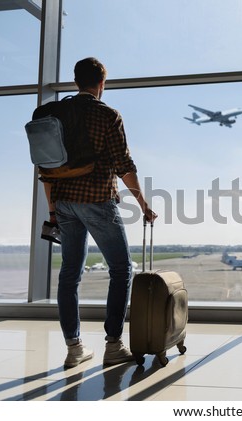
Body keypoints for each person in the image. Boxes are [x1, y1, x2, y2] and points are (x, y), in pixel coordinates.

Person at [41, 57, 157, 368]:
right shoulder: (107, 115)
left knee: (70, 274)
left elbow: (46, 170)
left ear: (76, 81)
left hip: (63, 202)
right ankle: (113, 344)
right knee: (121, 270)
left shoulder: (54, 114)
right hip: (97, 199)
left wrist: (53, 209)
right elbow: (124, 166)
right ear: (101, 84)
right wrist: (143, 204)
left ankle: (73, 347)